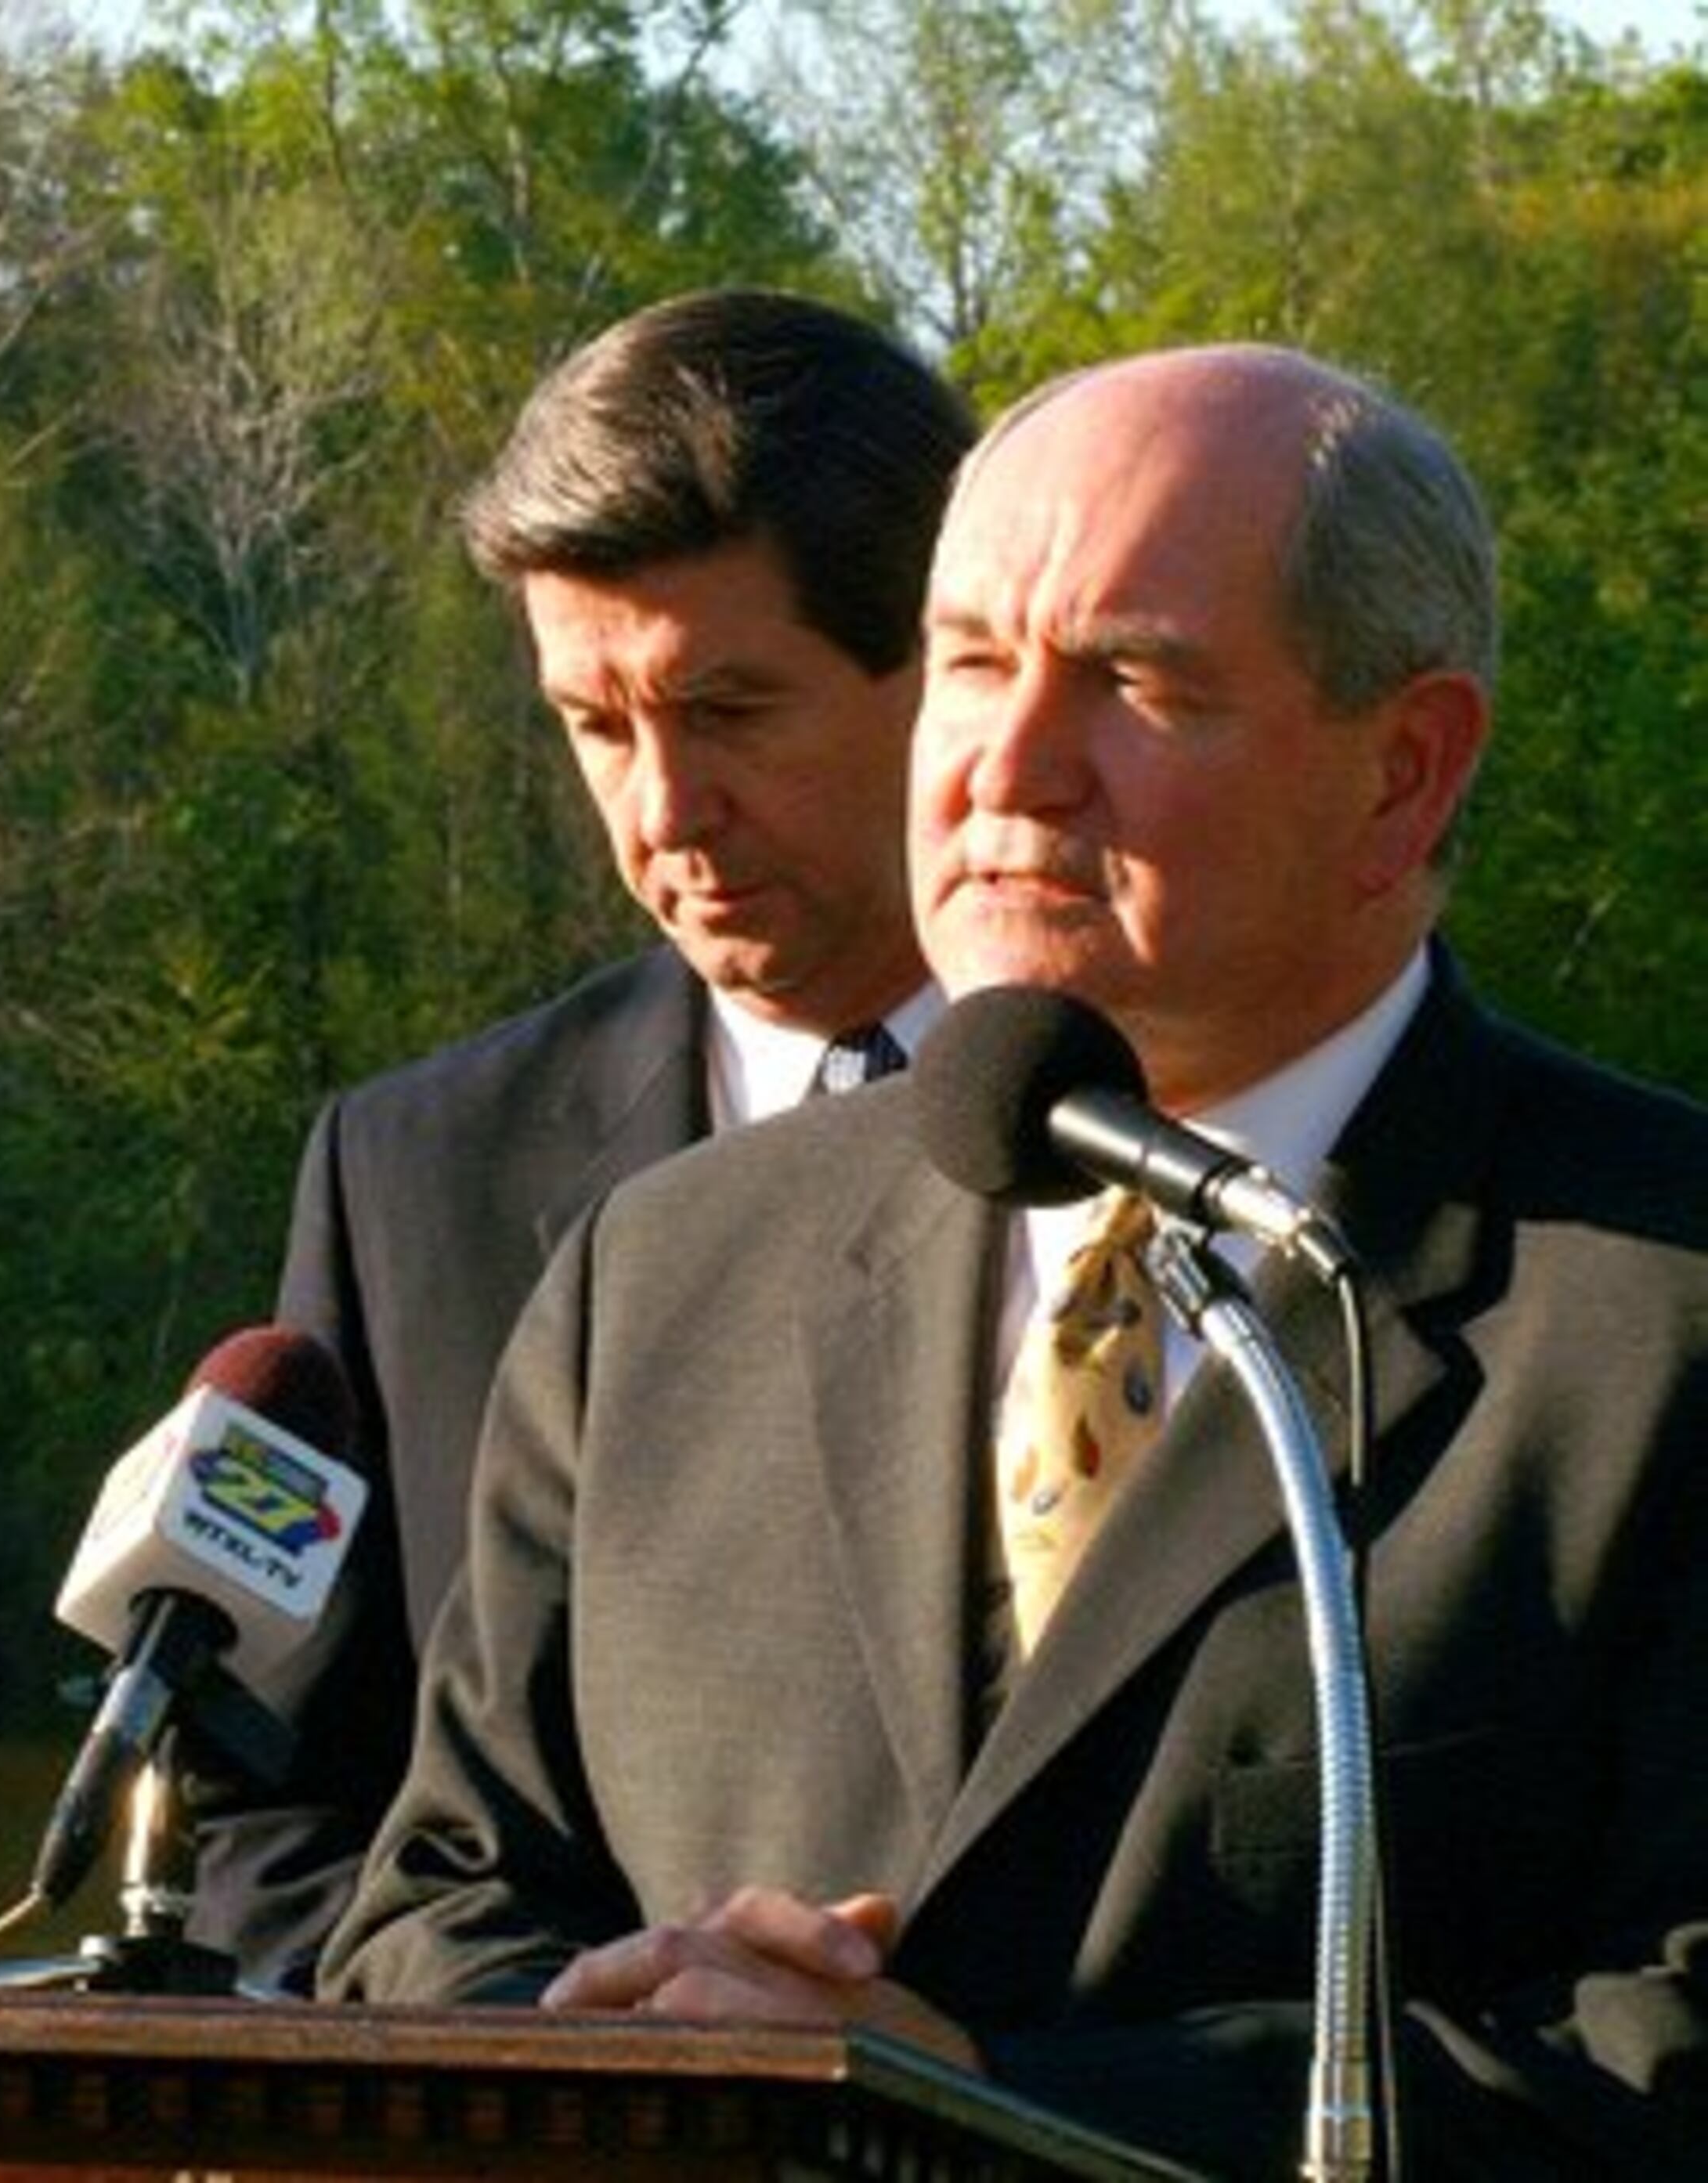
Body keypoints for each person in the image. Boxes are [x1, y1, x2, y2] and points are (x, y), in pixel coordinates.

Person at [319, 341, 1708, 2174]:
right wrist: (644, 2062)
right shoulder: (656, 1270)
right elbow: (437, 1905)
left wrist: (986, 2105)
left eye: (1132, 681)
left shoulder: (1656, 1302)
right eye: (971, 662)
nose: (1007, 768)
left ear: (1403, 771)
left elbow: (1671, 2048)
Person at [186, 291, 976, 1991]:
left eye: (731, 710)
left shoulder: (1201, 1141)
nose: (663, 808)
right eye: (598, 725)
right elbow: (275, 1814)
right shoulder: (412, 1176)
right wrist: (561, 2071)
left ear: (949, 672)